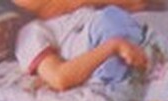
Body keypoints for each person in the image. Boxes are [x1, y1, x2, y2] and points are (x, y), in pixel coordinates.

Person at [13, 4, 151, 92]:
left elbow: (140, 4)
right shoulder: (29, 34)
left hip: (125, 32)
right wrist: (113, 45)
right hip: (107, 48)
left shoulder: (75, 11)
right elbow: (60, 78)